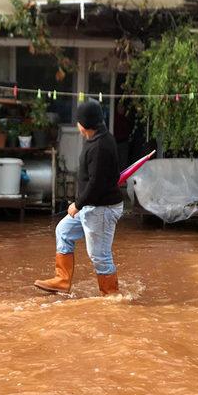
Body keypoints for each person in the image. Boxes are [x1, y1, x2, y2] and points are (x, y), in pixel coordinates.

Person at [34, 98, 123, 296]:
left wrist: (78, 204)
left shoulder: (100, 146)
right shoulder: (98, 139)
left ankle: (112, 297)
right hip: (92, 207)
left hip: (101, 209)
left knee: (99, 256)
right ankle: (62, 281)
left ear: (84, 124)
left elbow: (96, 184)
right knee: (63, 231)